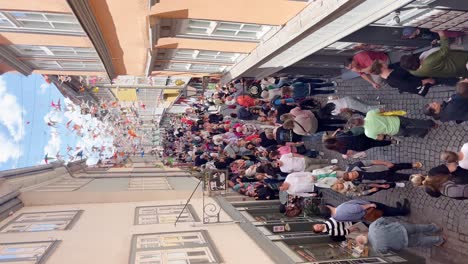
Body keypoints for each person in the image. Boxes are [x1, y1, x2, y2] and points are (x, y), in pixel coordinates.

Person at [400, 31, 468, 78]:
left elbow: (433, 56)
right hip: (459, 62)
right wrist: (442, 34)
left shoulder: (414, 72)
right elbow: (444, 50)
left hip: (456, 71)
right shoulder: (429, 62)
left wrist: (433, 47)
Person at [356, 218, 444, 253]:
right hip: (401, 228)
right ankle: (435, 228)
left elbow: (387, 251)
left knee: (419, 241)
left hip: (403, 242)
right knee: (417, 228)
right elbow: (383, 220)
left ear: (366, 244)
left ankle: (439, 240)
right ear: (364, 234)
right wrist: (392, 225)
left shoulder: (377, 248)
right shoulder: (372, 227)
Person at [370, 61, 435, 96]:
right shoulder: (393, 80)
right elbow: (410, 85)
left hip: (419, 74)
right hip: (422, 81)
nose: (384, 61)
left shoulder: (390, 67)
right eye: (382, 63)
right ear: (382, 68)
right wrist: (427, 80)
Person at [363, 109, 436, 140]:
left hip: (395, 131)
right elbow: (382, 110)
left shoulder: (368, 133)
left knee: (410, 132)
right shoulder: (369, 114)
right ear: (359, 118)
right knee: (413, 122)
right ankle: (431, 124)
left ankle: (423, 132)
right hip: (397, 120)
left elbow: (381, 137)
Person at [319, 199, 410, 222]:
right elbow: (357, 208)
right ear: (327, 206)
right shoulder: (340, 209)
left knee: (385, 213)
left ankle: (398, 209)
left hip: (365, 216)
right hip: (368, 209)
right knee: (385, 209)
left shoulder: (336, 218)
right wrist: (369, 205)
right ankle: (403, 211)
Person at [342, 160, 422, 183]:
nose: (354, 174)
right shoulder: (356, 181)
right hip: (383, 177)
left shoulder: (357, 165)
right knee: (400, 177)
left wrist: (386, 163)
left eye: (352, 173)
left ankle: (412, 165)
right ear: (352, 179)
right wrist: (381, 184)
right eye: (353, 176)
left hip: (383, 168)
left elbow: (373, 162)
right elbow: (369, 183)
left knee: (399, 166)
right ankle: (416, 178)